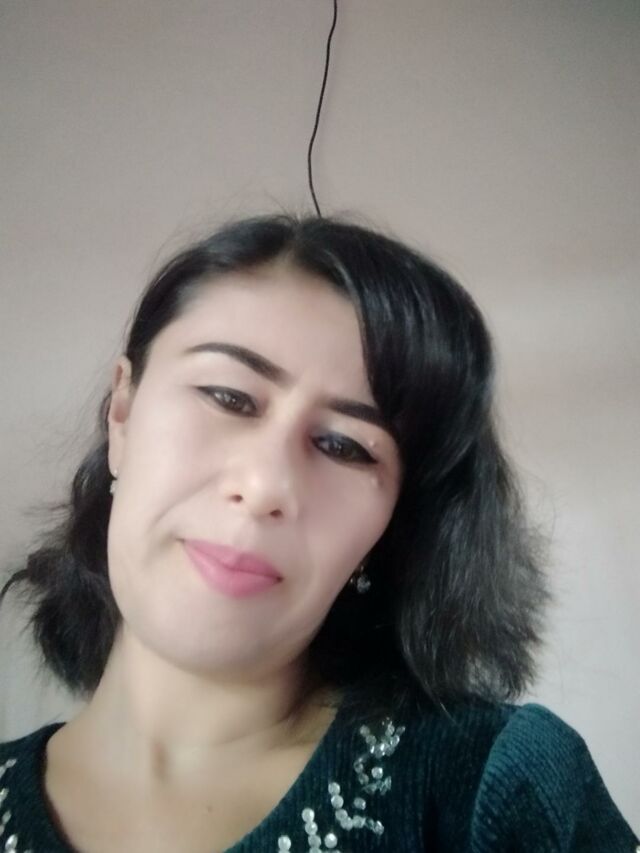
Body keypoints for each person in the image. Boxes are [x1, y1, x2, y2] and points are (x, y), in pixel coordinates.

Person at [0, 213, 637, 853]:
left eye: (344, 446)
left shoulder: (492, 790)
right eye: (228, 397)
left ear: (389, 525)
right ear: (122, 413)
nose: (266, 484)